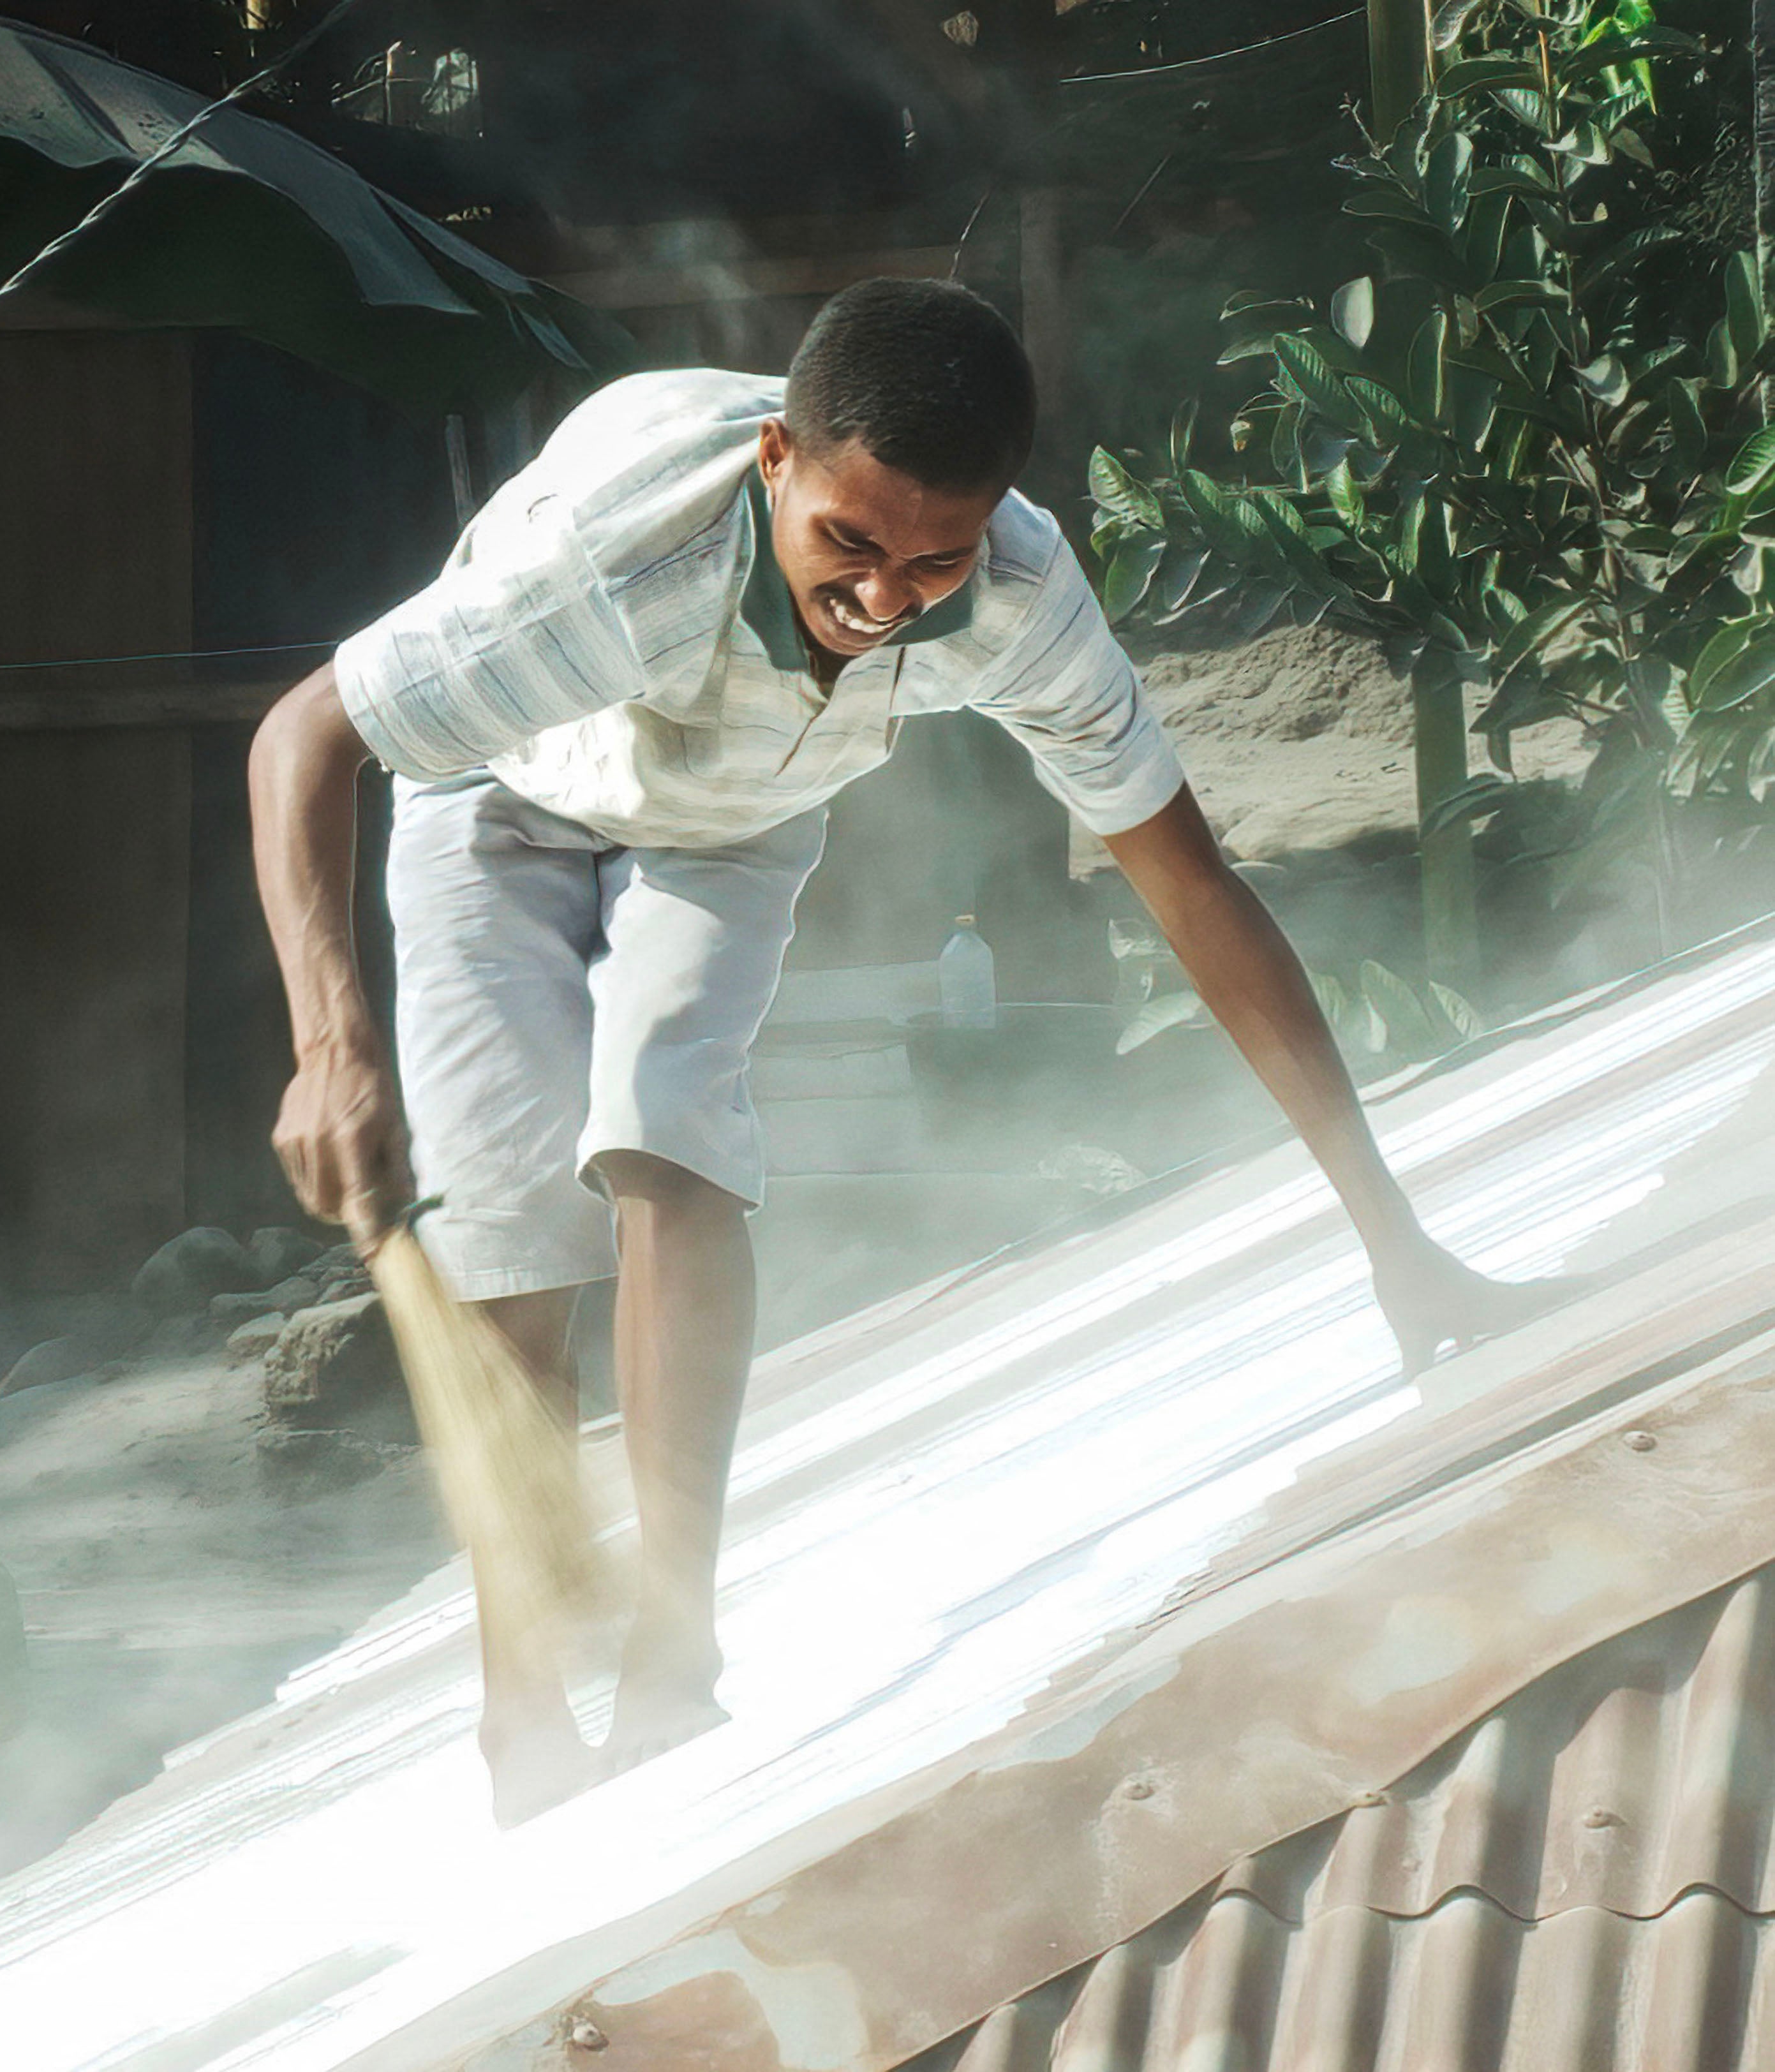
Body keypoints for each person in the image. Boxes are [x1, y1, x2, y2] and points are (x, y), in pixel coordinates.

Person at [246, 277, 1540, 1823]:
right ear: (775, 461)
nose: (882, 598)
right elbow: (303, 734)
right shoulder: (619, 566)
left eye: (929, 561)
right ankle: (521, 1715)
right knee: (516, 1232)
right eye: (846, 547)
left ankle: (672, 1657)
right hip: (502, 799)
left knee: (670, 1137)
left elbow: (1191, 883)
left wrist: (1394, 1239)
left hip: (729, 823)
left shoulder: (1010, 593)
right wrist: (331, 1043)